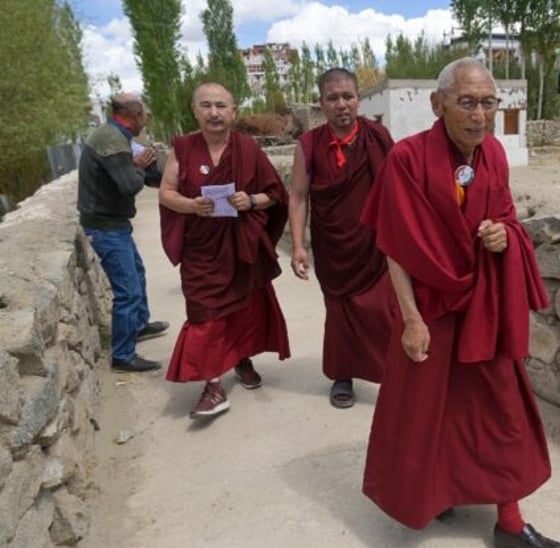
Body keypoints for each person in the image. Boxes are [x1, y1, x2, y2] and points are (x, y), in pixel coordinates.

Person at [360, 58, 560, 548]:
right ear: (439, 104)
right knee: (427, 414)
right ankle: (439, 493)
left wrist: (504, 237)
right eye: (467, 102)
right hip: (429, 310)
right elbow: (395, 245)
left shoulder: (493, 153)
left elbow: (508, 219)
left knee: (501, 410)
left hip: (482, 307)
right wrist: (410, 320)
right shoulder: (408, 159)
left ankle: (510, 522)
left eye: (488, 103)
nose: (479, 115)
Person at [158, 82, 291, 419]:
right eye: (206, 105)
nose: (214, 112)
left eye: (221, 106)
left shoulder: (247, 148)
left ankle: (241, 359)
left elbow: (274, 193)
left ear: (234, 112)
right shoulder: (184, 148)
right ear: (194, 110)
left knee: (244, 308)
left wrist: (250, 201)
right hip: (202, 250)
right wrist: (190, 205)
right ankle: (213, 385)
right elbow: (166, 192)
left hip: (240, 245)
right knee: (205, 315)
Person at [289, 68, 395, 408]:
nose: (342, 104)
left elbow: (397, 191)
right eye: (333, 98)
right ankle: (343, 374)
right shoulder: (308, 145)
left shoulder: (378, 137)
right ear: (321, 103)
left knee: (383, 311)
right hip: (333, 244)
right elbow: (299, 196)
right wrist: (298, 246)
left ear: (358, 100)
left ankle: (395, 376)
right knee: (339, 314)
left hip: (375, 244)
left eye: (348, 96)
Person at [77, 93, 169, 373]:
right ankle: (123, 355)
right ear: (135, 115)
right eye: (145, 114)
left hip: (114, 223)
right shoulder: (113, 142)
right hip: (105, 227)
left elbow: (152, 177)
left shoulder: (120, 136)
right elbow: (130, 185)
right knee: (127, 290)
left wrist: (152, 167)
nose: (147, 119)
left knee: (137, 274)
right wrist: (138, 166)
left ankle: (138, 325)